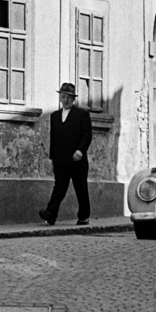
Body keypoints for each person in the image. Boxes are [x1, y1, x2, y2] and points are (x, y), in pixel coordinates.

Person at [40, 82, 92, 226]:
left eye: (69, 97)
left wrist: (80, 151)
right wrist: (52, 157)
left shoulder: (82, 115)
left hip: (77, 160)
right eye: (63, 97)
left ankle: (83, 216)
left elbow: (87, 135)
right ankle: (51, 214)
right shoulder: (55, 116)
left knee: (80, 187)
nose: (66, 100)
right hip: (61, 160)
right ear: (60, 98)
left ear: (73, 99)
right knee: (59, 187)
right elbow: (54, 138)